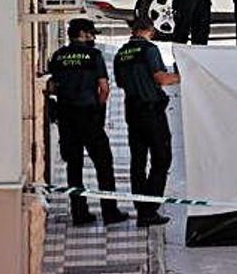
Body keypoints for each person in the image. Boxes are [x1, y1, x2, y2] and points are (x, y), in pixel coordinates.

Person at [48, 18, 129, 226]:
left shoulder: (58, 56)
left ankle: (79, 213)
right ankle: (110, 212)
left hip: (66, 116)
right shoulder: (94, 55)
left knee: (73, 166)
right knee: (103, 164)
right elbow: (104, 88)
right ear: (83, 34)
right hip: (89, 115)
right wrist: (99, 109)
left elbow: (53, 87)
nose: (93, 37)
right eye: (91, 33)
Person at [113, 17, 181, 227]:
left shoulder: (120, 54)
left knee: (138, 161)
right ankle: (149, 209)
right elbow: (161, 78)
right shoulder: (149, 49)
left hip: (132, 111)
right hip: (151, 111)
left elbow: (121, 83)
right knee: (162, 158)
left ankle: (141, 207)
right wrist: (181, 76)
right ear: (149, 30)